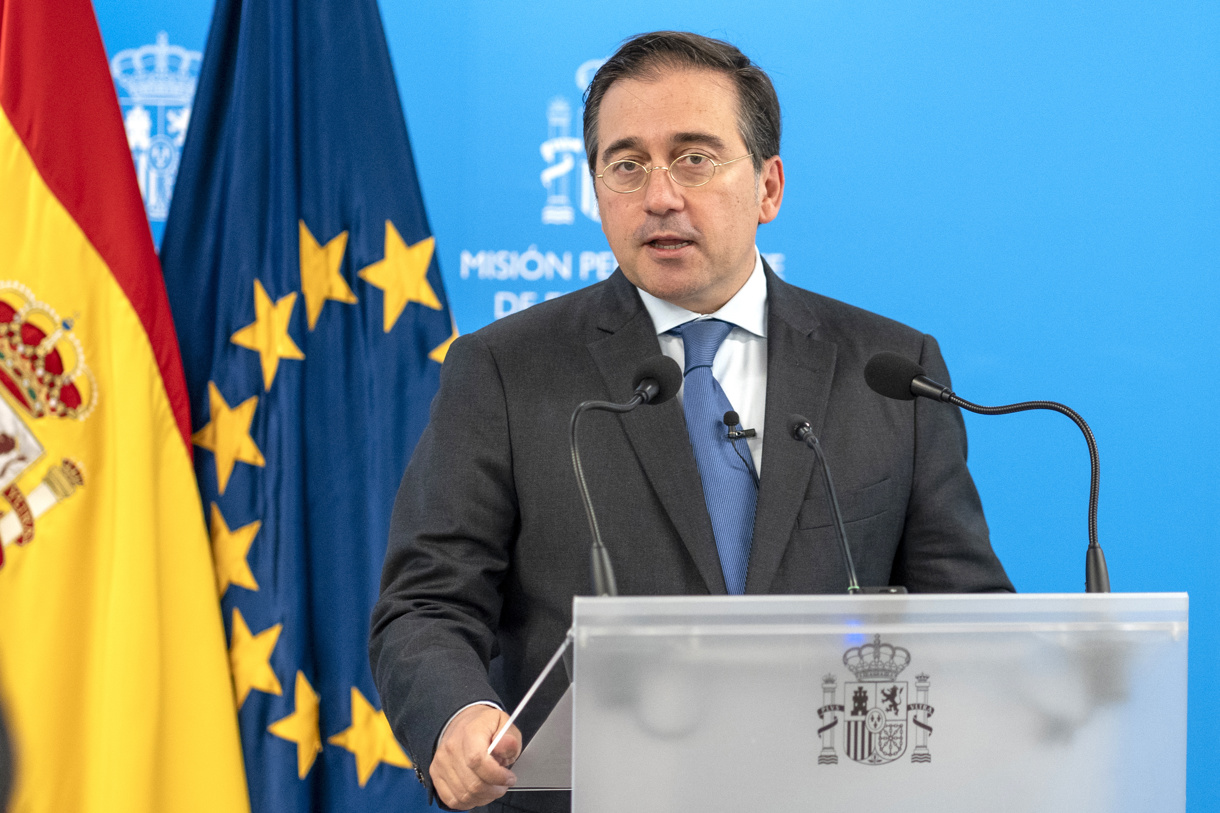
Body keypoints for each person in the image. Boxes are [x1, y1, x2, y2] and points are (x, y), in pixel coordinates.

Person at [370, 31, 1012, 813]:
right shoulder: (506, 369)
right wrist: (459, 715)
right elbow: (427, 602)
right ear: (597, 187)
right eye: (627, 163)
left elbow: (966, 618)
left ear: (769, 187)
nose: (660, 195)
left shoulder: (889, 369)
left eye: (695, 157)